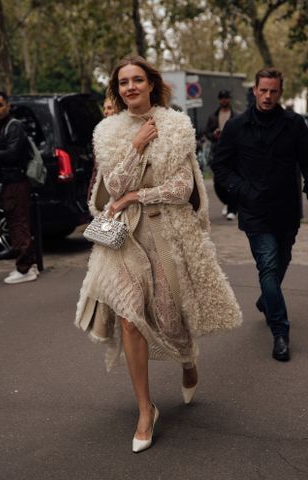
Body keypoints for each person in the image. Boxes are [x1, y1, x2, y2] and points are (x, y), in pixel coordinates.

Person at [75, 56, 242, 453]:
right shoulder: (108, 131)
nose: (130, 87)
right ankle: (145, 409)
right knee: (130, 319)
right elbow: (113, 186)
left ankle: (188, 358)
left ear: (151, 84)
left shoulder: (176, 125)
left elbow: (182, 187)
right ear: (118, 90)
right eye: (123, 83)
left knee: (169, 317)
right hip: (124, 238)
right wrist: (134, 148)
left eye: (137, 80)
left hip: (165, 234)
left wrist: (138, 194)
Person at [212, 68, 308, 362]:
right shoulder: (237, 127)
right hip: (254, 210)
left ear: (280, 92)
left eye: (273, 91)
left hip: (287, 209)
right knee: (267, 266)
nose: (267, 96)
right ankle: (280, 332)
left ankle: (267, 299)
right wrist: (241, 190)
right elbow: (220, 165)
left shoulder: (294, 124)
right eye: (263, 90)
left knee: (281, 261)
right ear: (254, 90)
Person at [0, 91, 38, 284]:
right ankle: (29, 266)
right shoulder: (4, 127)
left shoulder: (14, 126)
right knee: (18, 223)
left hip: (17, 182)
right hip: (11, 182)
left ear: (8, 105)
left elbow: (11, 155)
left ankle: (25, 269)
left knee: (19, 224)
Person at [205, 89, 238, 220]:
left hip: (233, 153)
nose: (224, 100)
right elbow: (206, 132)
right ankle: (228, 203)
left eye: (226, 98)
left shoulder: (236, 116)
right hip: (217, 153)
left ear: (229, 99)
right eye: (222, 98)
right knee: (218, 183)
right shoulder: (213, 116)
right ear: (219, 100)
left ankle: (232, 209)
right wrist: (213, 134)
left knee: (232, 181)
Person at [87, 95, 116, 201]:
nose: (105, 112)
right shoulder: (100, 133)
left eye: (109, 108)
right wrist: (91, 197)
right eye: (104, 108)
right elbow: (96, 170)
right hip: (104, 192)